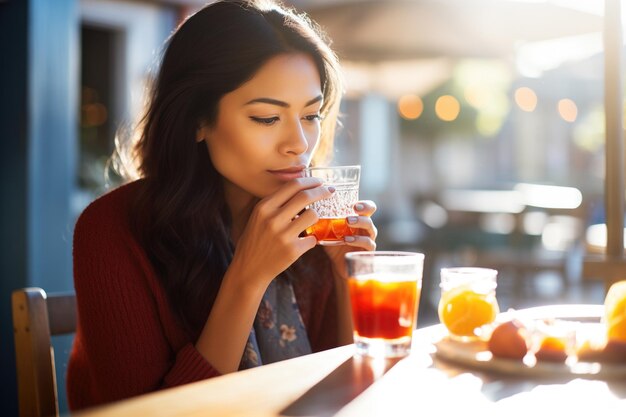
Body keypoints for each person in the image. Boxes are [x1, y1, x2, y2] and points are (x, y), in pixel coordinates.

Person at [67, 0, 377, 411]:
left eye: (311, 115)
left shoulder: (313, 222)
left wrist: (346, 278)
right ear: (197, 119)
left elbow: (344, 394)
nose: (299, 145)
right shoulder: (112, 229)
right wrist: (248, 278)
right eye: (267, 117)